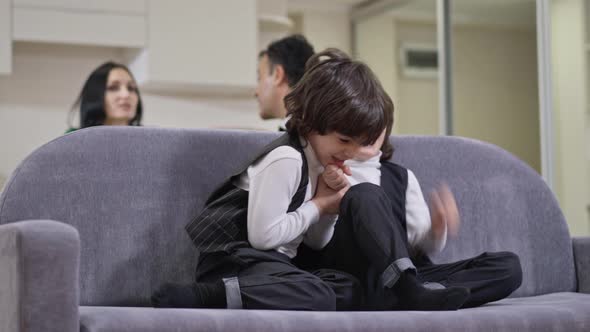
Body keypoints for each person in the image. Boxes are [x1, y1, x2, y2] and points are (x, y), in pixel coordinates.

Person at [152, 48, 521, 312]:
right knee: (361, 206)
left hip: (381, 277)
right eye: (348, 140)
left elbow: (417, 243)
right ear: (312, 125)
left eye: (367, 138)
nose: (355, 149)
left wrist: (436, 229)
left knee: (508, 267)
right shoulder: (291, 158)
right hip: (255, 261)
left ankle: (406, 291)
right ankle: (408, 291)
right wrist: (325, 203)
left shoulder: (393, 174)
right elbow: (277, 238)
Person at [66, 61, 143, 133]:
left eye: (131, 88)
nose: (126, 94)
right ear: (95, 95)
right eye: (113, 87)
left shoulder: (150, 138)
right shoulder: (71, 138)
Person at [255, 34, 314, 128]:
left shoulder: (300, 138)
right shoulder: (316, 132)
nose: (256, 92)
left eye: (259, 78)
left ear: (278, 75)